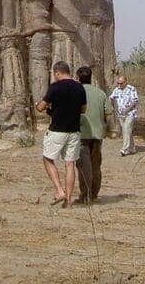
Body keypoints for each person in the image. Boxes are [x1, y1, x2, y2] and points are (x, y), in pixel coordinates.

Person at [35, 61, 87, 209]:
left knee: (47, 158)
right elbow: (83, 109)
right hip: (74, 131)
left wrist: (40, 105)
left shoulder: (55, 87)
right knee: (70, 163)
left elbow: (41, 107)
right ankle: (68, 200)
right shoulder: (79, 88)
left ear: (57, 72)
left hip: (57, 130)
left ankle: (59, 190)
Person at [75, 65, 109, 203]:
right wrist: (108, 129)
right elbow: (108, 113)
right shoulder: (100, 93)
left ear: (78, 78)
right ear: (90, 78)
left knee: (84, 165)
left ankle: (85, 194)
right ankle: (94, 193)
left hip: (81, 134)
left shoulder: (76, 92)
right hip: (98, 134)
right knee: (95, 164)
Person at [110, 73, 140, 156]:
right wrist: (114, 107)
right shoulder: (116, 90)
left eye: (121, 83)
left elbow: (135, 101)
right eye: (118, 83)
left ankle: (125, 149)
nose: (119, 85)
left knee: (126, 129)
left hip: (130, 113)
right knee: (126, 131)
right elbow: (111, 98)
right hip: (120, 114)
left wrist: (127, 109)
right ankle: (132, 148)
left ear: (126, 82)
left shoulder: (131, 89)